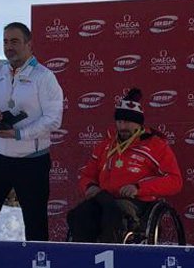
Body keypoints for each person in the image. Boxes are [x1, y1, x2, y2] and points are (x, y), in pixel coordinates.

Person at [0, 22, 63, 241]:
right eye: (5, 41)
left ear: (29, 45)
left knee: (35, 223)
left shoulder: (44, 77)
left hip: (31, 161)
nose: (8, 46)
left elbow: (53, 119)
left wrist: (20, 134)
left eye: (14, 41)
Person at [67, 88, 183, 243]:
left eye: (128, 122)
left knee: (115, 213)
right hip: (104, 198)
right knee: (81, 214)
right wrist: (89, 187)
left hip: (137, 202)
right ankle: (82, 257)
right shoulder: (106, 144)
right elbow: (87, 174)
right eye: (119, 121)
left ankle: (113, 254)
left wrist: (139, 188)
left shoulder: (156, 145)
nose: (123, 126)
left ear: (138, 123)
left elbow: (175, 181)